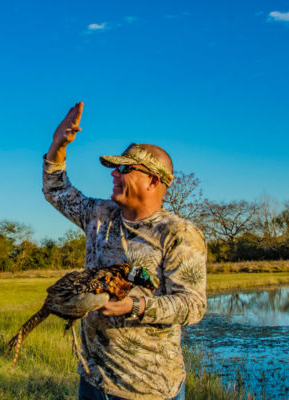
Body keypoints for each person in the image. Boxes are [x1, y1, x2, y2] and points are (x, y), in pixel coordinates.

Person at [43, 102, 207, 400]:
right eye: (115, 169)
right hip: (93, 381)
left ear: (154, 180)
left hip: (149, 388)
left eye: (124, 168)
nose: (114, 175)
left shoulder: (178, 233)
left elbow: (192, 305)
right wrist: (58, 145)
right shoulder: (99, 214)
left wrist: (131, 306)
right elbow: (56, 190)